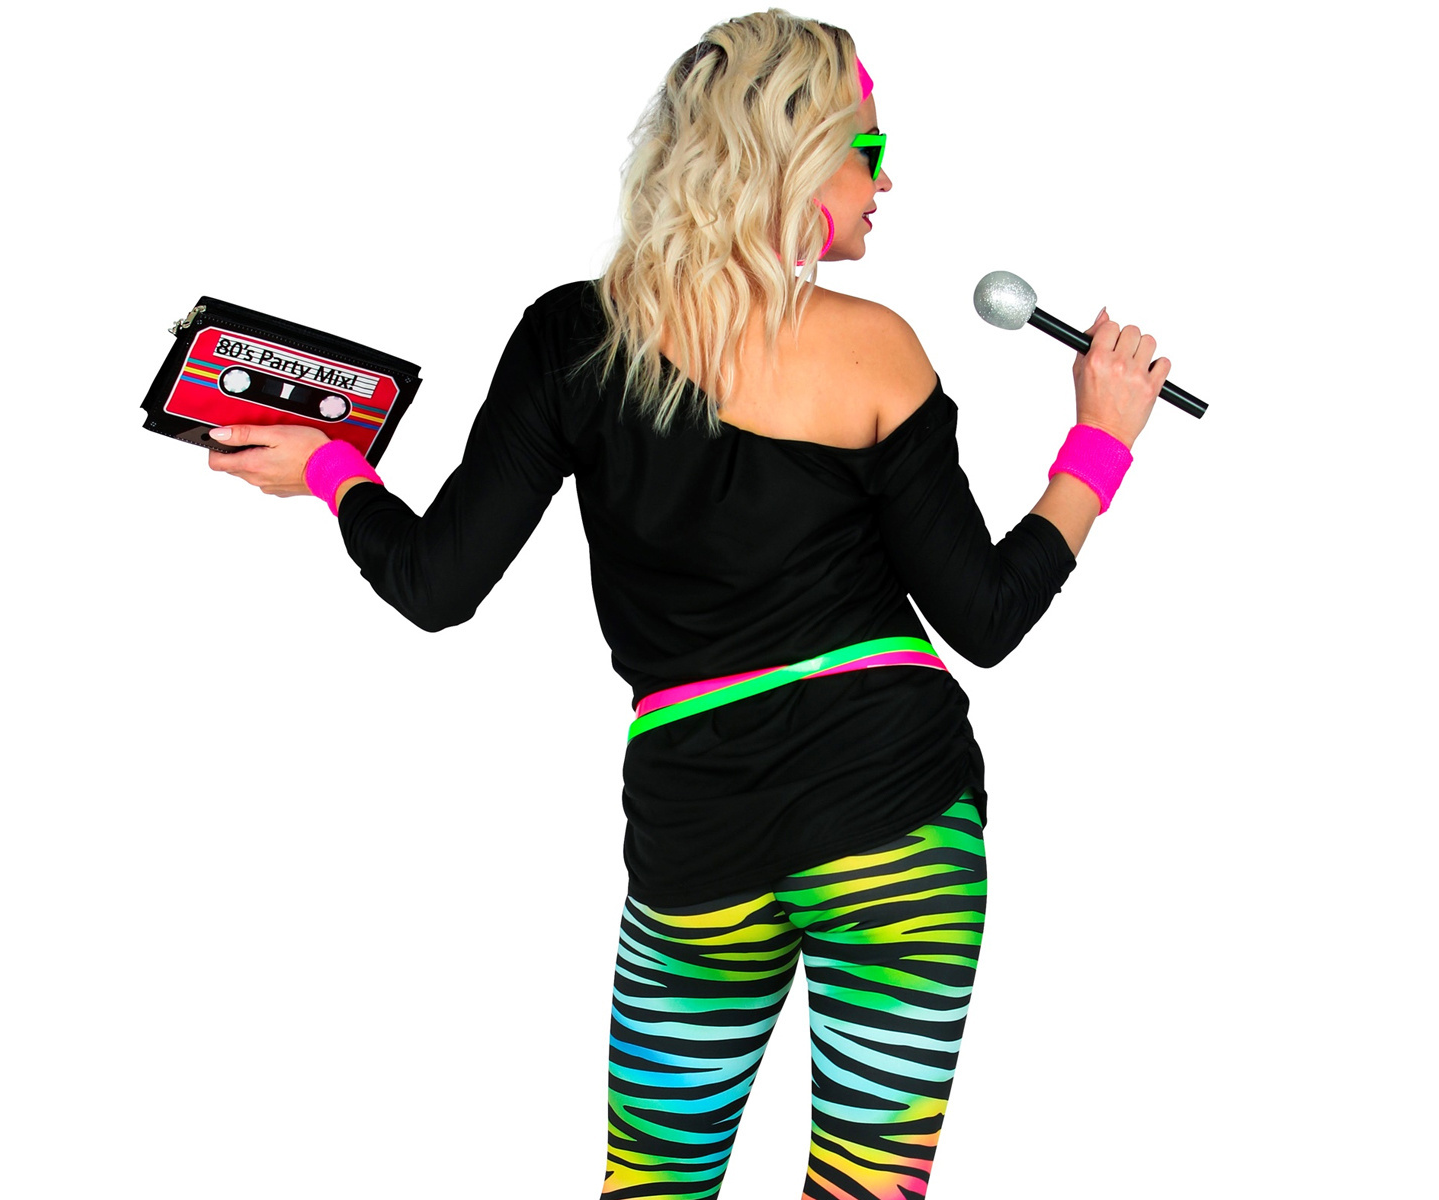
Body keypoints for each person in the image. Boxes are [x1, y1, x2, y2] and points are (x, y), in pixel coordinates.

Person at [201, 9, 1170, 1197]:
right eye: (868, 148)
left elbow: (434, 584)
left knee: (654, 1185)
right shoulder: (876, 349)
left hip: (694, 827)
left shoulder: (574, 335)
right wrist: (1100, 439)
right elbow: (986, 617)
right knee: (865, 1190)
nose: (886, 181)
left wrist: (331, 472)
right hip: (894, 817)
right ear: (790, 153)